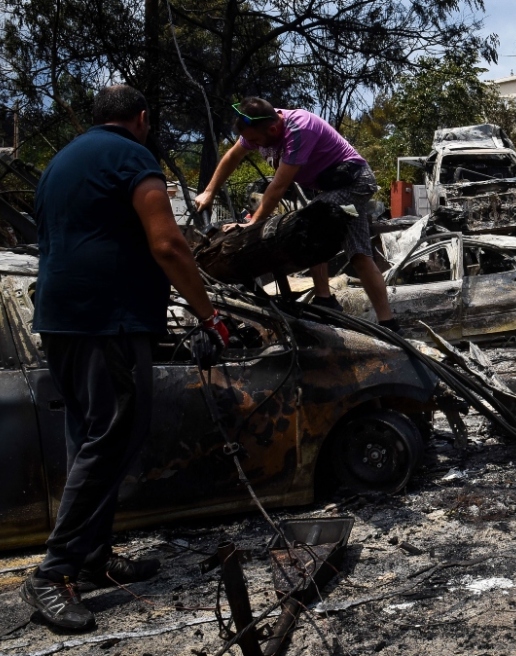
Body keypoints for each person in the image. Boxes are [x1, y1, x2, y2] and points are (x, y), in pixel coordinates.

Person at [23, 85, 229, 631]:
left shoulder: (60, 163)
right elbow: (167, 243)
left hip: (59, 319)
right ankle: (53, 574)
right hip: (106, 321)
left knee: (88, 437)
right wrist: (209, 315)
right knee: (115, 434)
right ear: (141, 119)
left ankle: (91, 558)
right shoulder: (134, 156)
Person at [192, 97, 399, 331]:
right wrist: (209, 191)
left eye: (255, 141)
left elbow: (278, 186)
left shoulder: (299, 128)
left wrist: (251, 224)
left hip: (355, 182)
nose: (253, 145)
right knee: (360, 256)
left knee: (313, 220)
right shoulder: (257, 127)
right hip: (331, 187)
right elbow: (233, 156)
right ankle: (388, 322)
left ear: (273, 128)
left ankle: (325, 301)